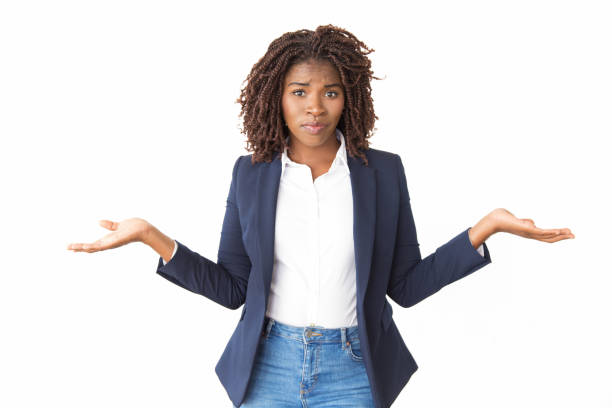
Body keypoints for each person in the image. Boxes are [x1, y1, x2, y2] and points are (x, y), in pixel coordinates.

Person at [67, 24, 574, 408]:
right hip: (267, 367)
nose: (315, 107)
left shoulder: (382, 173)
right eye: (299, 91)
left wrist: (485, 228)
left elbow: (406, 285)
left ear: (348, 98)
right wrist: (153, 237)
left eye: (330, 92)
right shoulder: (251, 174)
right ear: (277, 99)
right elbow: (233, 289)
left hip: (354, 369)